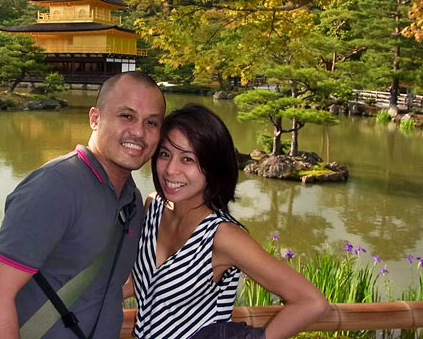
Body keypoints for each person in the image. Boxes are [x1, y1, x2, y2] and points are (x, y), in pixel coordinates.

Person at [0, 71, 166, 339]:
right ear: (94, 118)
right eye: (126, 116)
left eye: (151, 123)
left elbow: (105, 286)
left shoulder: (132, 200)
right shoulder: (56, 186)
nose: (138, 132)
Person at [126, 104, 329, 339]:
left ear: (213, 166)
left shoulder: (222, 236)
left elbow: (311, 302)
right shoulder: (154, 207)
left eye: (188, 159)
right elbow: (145, 282)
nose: (171, 170)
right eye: (165, 154)